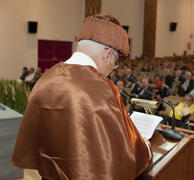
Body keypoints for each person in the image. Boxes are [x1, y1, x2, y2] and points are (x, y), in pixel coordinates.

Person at [12, 14, 151, 180]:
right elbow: (122, 148)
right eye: (114, 63)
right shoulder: (102, 87)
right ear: (107, 54)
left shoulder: (45, 79)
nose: (112, 69)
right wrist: (146, 148)